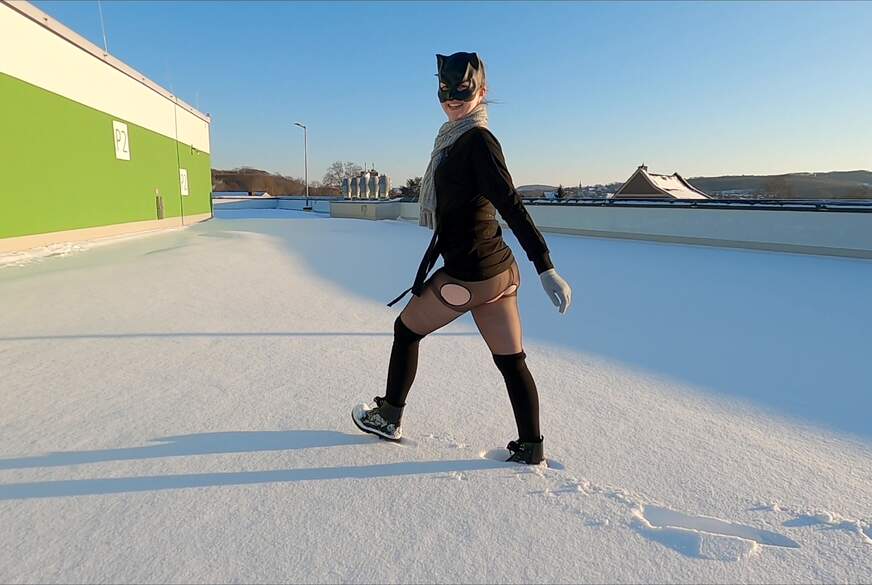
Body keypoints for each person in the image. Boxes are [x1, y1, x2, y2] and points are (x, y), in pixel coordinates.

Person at [352, 51, 572, 464]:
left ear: (482, 92)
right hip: (499, 273)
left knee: (406, 330)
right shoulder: (454, 139)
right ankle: (531, 446)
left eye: (463, 89)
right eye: (444, 89)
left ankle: (388, 416)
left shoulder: (477, 141)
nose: (452, 98)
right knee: (511, 361)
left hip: (472, 275)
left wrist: (546, 266)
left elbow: (511, 205)